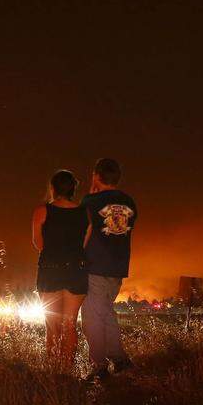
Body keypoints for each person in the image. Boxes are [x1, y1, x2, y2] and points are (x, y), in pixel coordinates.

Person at [81, 158, 137, 380]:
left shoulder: (90, 201)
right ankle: (119, 359)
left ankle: (99, 365)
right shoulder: (130, 202)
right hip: (118, 266)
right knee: (105, 312)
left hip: (96, 264)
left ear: (96, 176)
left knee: (92, 316)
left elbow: (84, 230)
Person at [32, 169, 90, 371]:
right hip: (76, 272)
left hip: (51, 271)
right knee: (69, 324)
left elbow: (39, 244)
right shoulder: (85, 213)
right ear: (73, 189)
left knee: (52, 325)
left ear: (53, 188)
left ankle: (53, 369)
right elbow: (84, 244)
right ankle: (67, 370)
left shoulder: (42, 211)